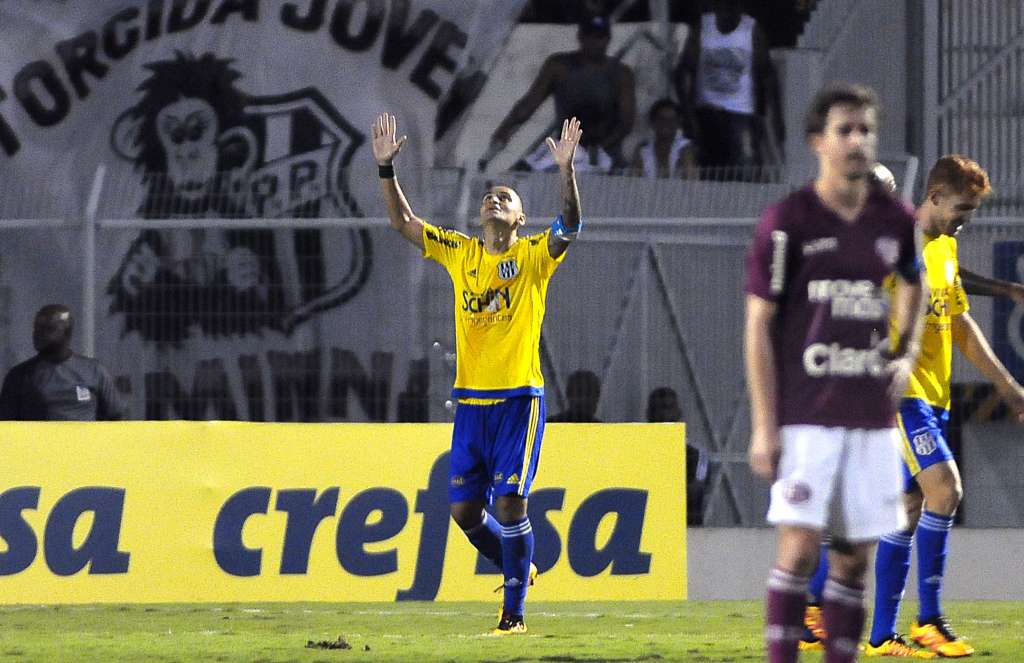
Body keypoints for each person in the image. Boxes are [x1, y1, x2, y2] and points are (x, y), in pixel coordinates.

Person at [800, 155, 1024, 659]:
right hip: (898, 394)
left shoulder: (939, 244)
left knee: (900, 508)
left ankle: (876, 631)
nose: (966, 218)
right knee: (943, 490)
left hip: (933, 393)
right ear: (936, 196)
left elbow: (957, 319)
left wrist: (1006, 384)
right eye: (962, 208)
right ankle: (928, 620)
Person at [371, 112, 582, 635]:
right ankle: (521, 567)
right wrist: (384, 171)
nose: (493, 200)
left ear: (521, 219)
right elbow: (403, 223)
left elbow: (571, 226)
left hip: (517, 401)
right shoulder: (461, 253)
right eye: (489, 196)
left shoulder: (535, 256)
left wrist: (565, 172)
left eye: (505, 198)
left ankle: (513, 616)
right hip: (470, 403)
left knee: (511, 502)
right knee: (465, 511)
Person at [744, 83, 925, 663]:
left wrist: (906, 352)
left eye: (867, 130)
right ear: (818, 142)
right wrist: (764, 425)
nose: (858, 141)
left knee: (853, 558)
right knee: (799, 550)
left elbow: (915, 283)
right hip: (807, 418)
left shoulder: (894, 219)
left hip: (870, 419)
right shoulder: (788, 221)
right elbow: (758, 326)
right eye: (846, 130)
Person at [485, 14, 635, 171]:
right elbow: (529, 103)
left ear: (607, 40)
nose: (595, 43)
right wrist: (505, 128)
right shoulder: (559, 66)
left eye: (600, 38)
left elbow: (626, 122)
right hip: (565, 147)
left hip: (606, 152)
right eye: (590, 37)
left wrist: (599, 149)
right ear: (581, 37)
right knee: (524, 172)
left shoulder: (621, 74)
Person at [675, 0, 785, 174]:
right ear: (715, 7)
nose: (726, 12)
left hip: (741, 114)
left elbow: (768, 75)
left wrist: (777, 117)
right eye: (722, 7)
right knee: (709, 171)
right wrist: (687, 115)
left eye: (731, 7)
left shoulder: (751, 30)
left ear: (740, 8)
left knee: (745, 171)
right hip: (706, 113)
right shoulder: (703, 28)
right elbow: (681, 73)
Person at [0, 304, 127, 420]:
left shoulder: (95, 371)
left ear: (67, 334)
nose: (38, 334)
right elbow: (6, 426)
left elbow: (116, 417)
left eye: (48, 329)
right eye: (36, 328)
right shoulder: (19, 376)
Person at [646, 386, 707, 526]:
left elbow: (694, 489)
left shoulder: (695, 453)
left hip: (686, 528)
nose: (663, 414)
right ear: (649, 413)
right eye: (658, 408)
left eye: (668, 407)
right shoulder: (637, 450)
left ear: (678, 413)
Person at [630, 99, 698, 180]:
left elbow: (690, 179)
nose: (666, 123)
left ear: (678, 122)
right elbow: (634, 179)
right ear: (653, 122)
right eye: (662, 119)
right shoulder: (643, 150)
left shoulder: (685, 148)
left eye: (672, 120)